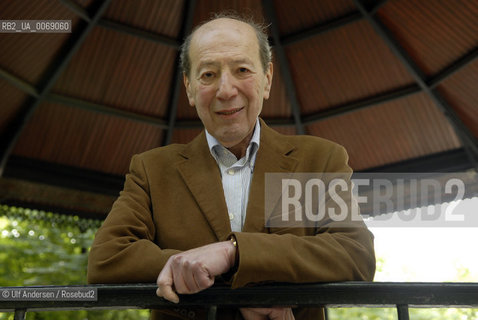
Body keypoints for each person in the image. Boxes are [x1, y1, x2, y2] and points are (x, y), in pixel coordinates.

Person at [87, 13, 375, 320]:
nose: (226, 90)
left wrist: (231, 253)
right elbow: (107, 260)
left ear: (267, 78)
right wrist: (228, 278)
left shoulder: (320, 160)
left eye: (242, 70)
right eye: (208, 75)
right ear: (189, 88)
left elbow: (355, 254)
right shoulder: (152, 169)